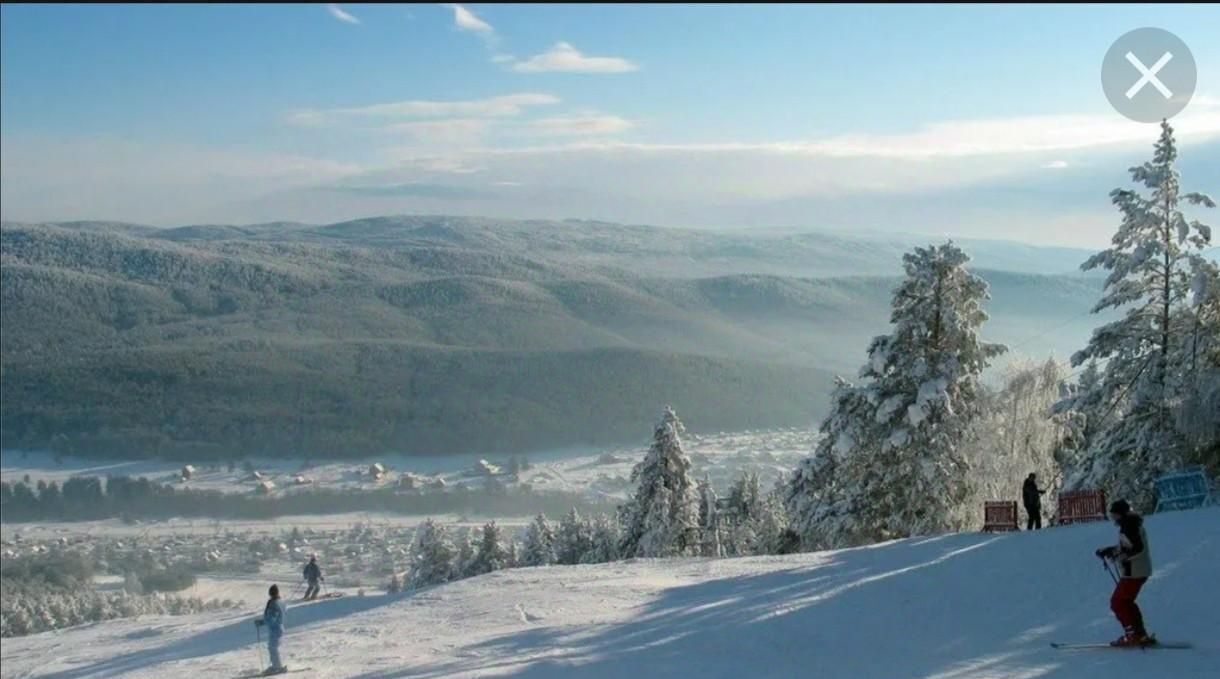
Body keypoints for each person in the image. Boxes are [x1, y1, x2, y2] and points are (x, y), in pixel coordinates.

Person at [1095, 499, 1155, 647]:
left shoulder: (1129, 526)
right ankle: (1140, 634)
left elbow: (1136, 549)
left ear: (1120, 514)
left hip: (1134, 571)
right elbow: (1128, 547)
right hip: (1137, 570)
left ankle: (1132, 635)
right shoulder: (1131, 524)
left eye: (1114, 515)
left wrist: (1117, 555)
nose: (1113, 518)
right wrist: (1111, 551)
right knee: (1126, 602)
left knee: (1117, 602)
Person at [254, 584, 288, 675]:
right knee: (273, 647)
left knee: (273, 648)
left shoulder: (273, 604)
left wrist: (261, 622)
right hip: (279, 627)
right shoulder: (281, 601)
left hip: (275, 628)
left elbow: (271, 618)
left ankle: (277, 667)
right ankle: (276, 665)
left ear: (271, 593)